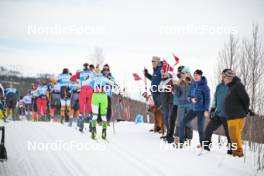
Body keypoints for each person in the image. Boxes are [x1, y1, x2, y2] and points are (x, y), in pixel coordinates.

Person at [179, 69, 210, 148]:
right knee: (182, 123)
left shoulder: (205, 87)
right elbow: (188, 97)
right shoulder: (192, 85)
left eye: (197, 75)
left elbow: (207, 99)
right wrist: (191, 99)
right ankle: (181, 141)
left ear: (200, 76)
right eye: (194, 75)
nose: (195, 77)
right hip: (192, 109)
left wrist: (206, 110)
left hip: (201, 110)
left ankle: (204, 146)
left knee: (200, 128)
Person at [203, 69, 232, 154]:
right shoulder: (219, 86)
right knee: (208, 129)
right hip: (218, 114)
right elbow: (215, 98)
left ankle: (231, 150)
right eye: (222, 75)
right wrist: (212, 108)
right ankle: (206, 147)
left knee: (229, 134)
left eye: (225, 75)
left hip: (229, 115)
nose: (223, 76)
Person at [223, 69, 250, 157]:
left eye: (224, 77)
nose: (223, 79)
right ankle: (238, 154)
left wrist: (245, 111)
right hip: (233, 116)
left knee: (234, 136)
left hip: (237, 116)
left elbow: (246, 99)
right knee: (235, 136)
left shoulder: (238, 86)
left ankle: (238, 154)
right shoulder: (231, 86)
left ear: (229, 77)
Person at [172, 66, 193, 144]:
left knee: (188, 122)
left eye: (184, 73)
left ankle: (188, 139)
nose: (182, 75)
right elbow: (177, 94)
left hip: (189, 105)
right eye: (181, 74)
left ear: (188, 73)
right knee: (179, 121)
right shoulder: (180, 82)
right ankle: (178, 139)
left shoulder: (192, 82)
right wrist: (176, 86)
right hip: (181, 104)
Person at [90, 74, 114, 140]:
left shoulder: (93, 78)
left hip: (96, 96)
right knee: (103, 116)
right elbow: (112, 83)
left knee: (95, 116)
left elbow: (86, 83)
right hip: (103, 97)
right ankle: (104, 132)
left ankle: (94, 131)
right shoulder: (104, 78)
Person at [76, 63, 96, 132]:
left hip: (83, 89)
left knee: (82, 107)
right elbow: (95, 80)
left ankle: (81, 124)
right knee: (89, 107)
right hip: (90, 90)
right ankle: (91, 126)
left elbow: (75, 80)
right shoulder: (92, 72)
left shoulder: (80, 73)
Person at [159, 63, 173, 138]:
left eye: (164, 72)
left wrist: (170, 102)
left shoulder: (170, 81)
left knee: (169, 118)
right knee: (165, 118)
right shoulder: (162, 82)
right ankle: (168, 134)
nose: (162, 73)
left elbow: (172, 93)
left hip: (169, 104)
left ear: (167, 72)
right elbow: (162, 94)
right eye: (161, 72)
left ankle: (171, 135)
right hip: (164, 104)